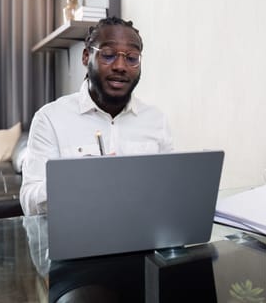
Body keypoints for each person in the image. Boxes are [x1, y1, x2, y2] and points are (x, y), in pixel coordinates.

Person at [20, 17, 173, 215]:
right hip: (75, 240)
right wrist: (76, 180)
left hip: (143, 237)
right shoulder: (50, 118)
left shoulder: (156, 120)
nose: (120, 66)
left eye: (132, 58)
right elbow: (29, 204)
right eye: (108, 55)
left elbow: (170, 191)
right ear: (86, 57)